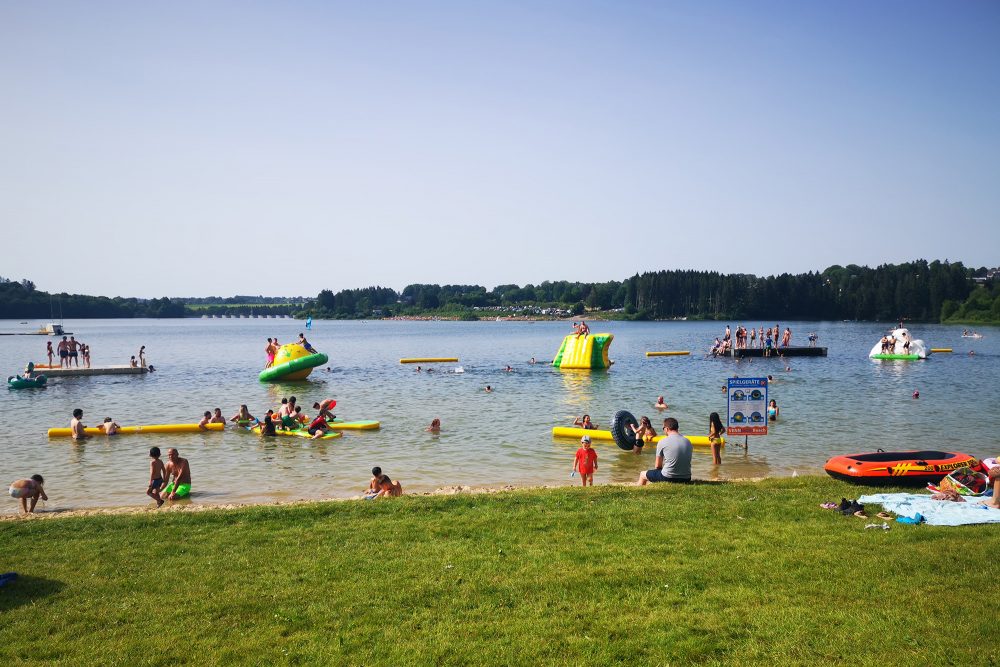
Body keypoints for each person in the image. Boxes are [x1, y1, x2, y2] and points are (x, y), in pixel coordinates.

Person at [638, 418, 692, 485]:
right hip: (686, 478)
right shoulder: (688, 441)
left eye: (663, 428)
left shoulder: (662, 441)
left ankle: (640, 493)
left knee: (642, 474)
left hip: (668, 477)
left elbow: (657, 466)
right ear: (677, 428)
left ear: (666, 429)